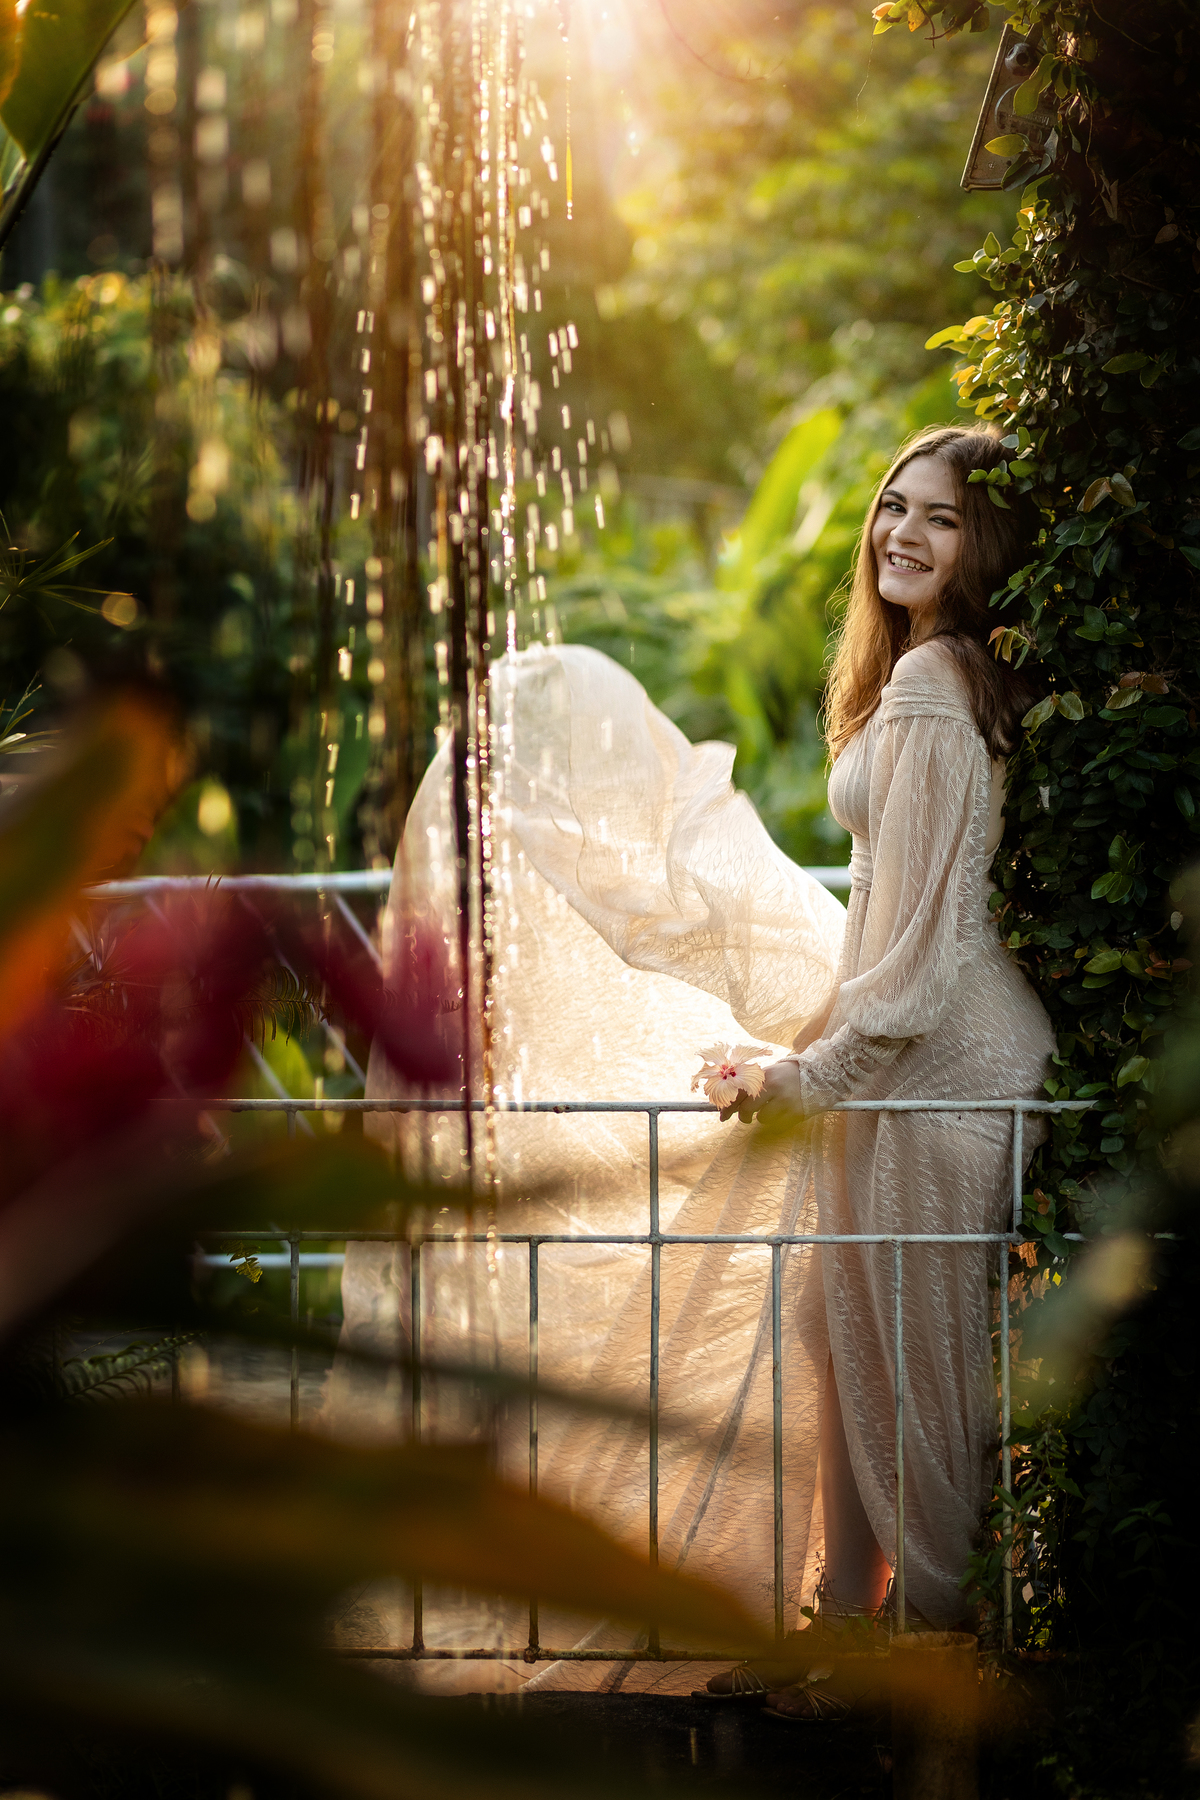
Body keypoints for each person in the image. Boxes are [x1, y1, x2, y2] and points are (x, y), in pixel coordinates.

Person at [331, 423, 1053, 1701]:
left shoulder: (942, 685)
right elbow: (883, 925)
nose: (902, 533)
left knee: (916, 1355)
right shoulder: (917, 679)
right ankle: (847, 1622)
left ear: (983, 544)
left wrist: (812, 1077)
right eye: (894, 506)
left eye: (940, 518)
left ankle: (940, 1676)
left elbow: (930, 955)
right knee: (848, 1326)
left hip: (949, 1070)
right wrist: (795, 1047)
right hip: (900, 1056)